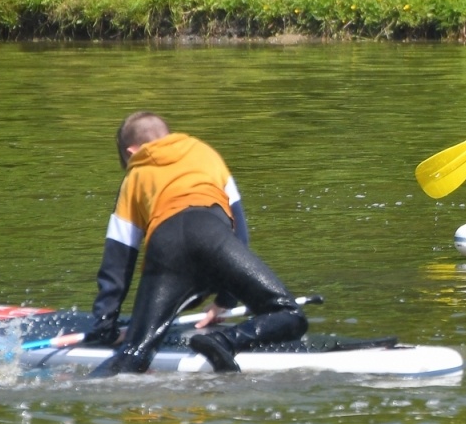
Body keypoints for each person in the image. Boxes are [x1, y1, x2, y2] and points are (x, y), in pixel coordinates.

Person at [84, 112, 307, 377]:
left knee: (135, 354)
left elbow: (118, 259)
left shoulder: (134, 177)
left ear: (132, 152)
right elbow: (240, 232)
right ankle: (224, 340)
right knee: (290, 314)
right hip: (213, 237)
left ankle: (86, 394)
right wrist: (224, 301)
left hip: (166, 249)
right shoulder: (206, 153)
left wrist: (105, 326)